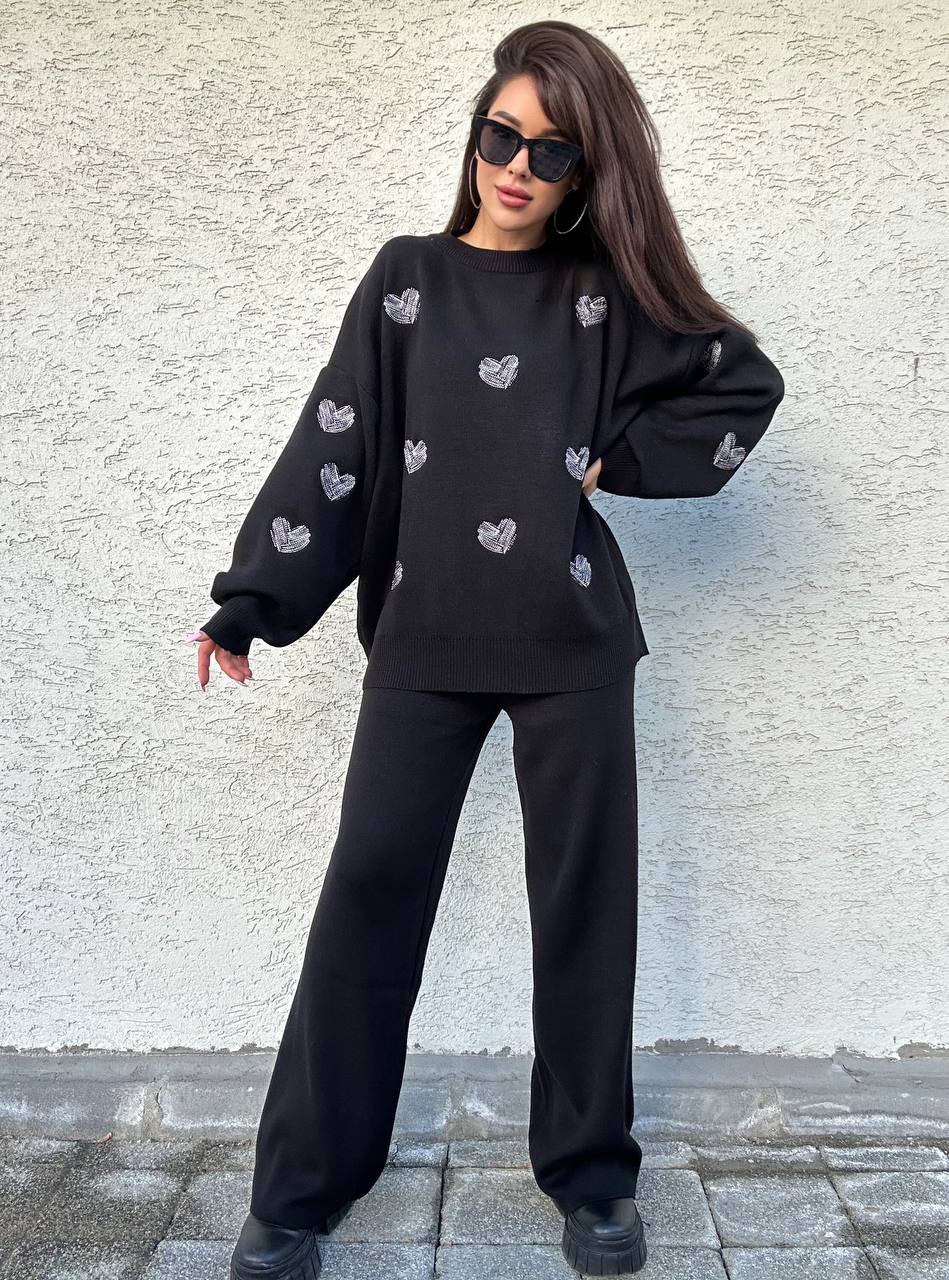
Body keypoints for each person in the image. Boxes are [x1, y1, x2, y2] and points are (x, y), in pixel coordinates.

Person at [188, 20, 786, 1280]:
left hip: (572, 643)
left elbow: (742, 382)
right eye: (500, 135)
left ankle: (589, 1177)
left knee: (581, 910)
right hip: (423, 635)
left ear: (584, 173)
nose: (517, 165)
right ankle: (298, 1188)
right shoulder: (406, 279)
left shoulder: (601, 298)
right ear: (474, 136)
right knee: (367, 895)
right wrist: (252, 599)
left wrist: (614, 460)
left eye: (551, 152)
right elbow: (335, 445)